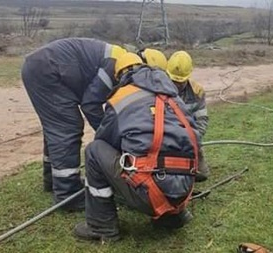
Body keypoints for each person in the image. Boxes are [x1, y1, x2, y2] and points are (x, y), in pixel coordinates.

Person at [73, 53, 200, 242]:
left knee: (94, 150)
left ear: (121, 76)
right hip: (183, 191)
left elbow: (105, 140)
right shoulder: (174, 97)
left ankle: (102, 226)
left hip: (150, 193)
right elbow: (193, 137)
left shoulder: (121, 98)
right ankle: (173, 217)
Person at [21, 38, 127, 212]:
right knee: (66, 128)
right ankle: (67, 195)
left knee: (56, 127)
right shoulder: (113, 67)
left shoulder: (119, 59)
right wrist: (107, 138)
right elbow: (91, 104)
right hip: (47, 70)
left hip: (42, 67)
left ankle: (52, 180)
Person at [166, 51, 210, 182]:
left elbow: (202, 120)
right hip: (166, 139)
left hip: (189, 140)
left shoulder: (197, 92)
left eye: (181, 82)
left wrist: (192, 139)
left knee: (202, 175)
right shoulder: (158, 89)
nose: (177, 85)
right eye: (174, 81)